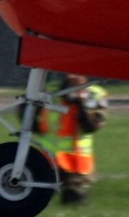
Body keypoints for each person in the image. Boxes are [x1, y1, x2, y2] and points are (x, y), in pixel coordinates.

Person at [39, 73, 109, 205]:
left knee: (75, 199)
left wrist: (80, 102)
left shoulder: (95, 95)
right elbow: (31, 119)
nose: (71, 75)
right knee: (35, 199)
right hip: (47, 159)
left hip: (77, 164)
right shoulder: (51, 92)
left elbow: (93, 126)